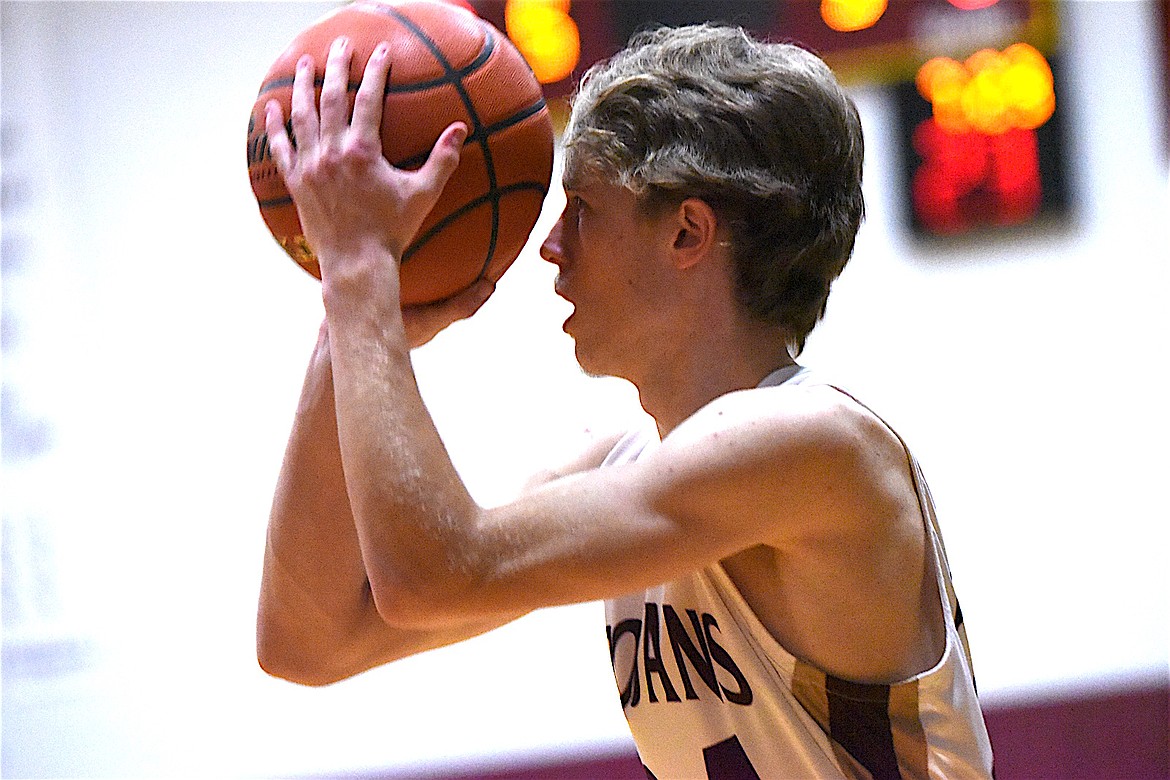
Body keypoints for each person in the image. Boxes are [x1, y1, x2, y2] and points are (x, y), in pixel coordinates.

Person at [257, 22, 995, 779]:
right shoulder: (619, 462)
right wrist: (346, 323)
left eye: (583, 208)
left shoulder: (813, 444)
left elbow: (436, 573)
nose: (550, 246)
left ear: (686, 233)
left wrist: (361, 274)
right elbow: (308, 641)